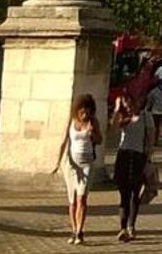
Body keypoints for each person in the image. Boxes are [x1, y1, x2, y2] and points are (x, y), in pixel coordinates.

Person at [53, 93, 103, 246]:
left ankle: (80, 231)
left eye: (87, 110)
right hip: (71, 166)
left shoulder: (93, 122)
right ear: (77, 110)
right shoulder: (71, 121)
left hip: (86, 164)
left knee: (82, 198)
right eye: (82, 110)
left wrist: (92, 132)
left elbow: (99, 140)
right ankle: (73, 230)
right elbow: (63, 142)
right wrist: (57, 163)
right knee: (72, 200)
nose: (84, 114)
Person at [110, 92, 150, 242]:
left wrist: (148, 158)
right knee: (124, 194)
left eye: (129, 101)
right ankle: (122, 228)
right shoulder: (122, 119)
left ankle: (131, 226)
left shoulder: (145, 117)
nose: (128, 105)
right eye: (125, 103)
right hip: (124, 156)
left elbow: (150, 139)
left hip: (138, 156)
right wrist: (116, 109)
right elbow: (113, 128)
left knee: (135, 193)